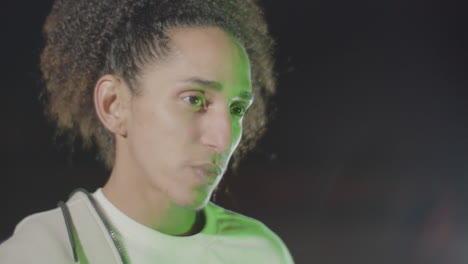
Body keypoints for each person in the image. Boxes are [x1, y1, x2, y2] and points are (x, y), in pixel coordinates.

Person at [0, 0, 294, 263]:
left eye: (237, 109)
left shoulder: (261, 252)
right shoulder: (46, 251)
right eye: (194, 99)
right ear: (114, 104)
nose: (222, 139)